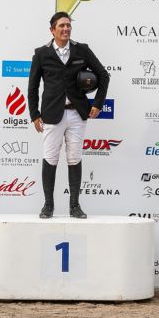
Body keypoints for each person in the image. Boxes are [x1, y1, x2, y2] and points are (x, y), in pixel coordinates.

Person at [27, 11, 110, 219]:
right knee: (50, 158)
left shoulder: (82, 50)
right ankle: (48, 205)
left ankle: (74, 206)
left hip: (76, 114)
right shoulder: (41, 54)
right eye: (61, 26)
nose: (66, 29)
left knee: (74, 158)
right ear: (52, 30)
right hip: (51, 115)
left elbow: (103, 75)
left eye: (68, 25)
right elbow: (32, 87)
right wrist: (34, 114)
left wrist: (98, 103)